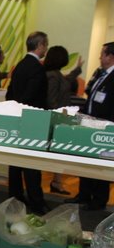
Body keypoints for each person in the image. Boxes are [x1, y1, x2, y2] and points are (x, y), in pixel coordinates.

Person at [65, 42, 114, 211]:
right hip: (89, 124)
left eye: (102, 54)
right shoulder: (100, 74)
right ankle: (83, 195)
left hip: (104, 128)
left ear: (110, 57)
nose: (100, 57)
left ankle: (98, 200)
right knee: (85, 160)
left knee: (100, 164)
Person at [6, 31, 49, 214]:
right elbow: (32, 96)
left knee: (15, 161)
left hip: (17, 118)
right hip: (33, 120)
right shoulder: (37, 68)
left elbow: (10, 93)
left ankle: (15, 196)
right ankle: (36, 201)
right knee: (31, 163)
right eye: (45, 45)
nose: (46, 49)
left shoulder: (20, 66)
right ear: (40, 45)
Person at [44, 45, 83, 196]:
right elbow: (51, 100)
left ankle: (57, 182)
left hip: (58, 120)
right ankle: (56, 183)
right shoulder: (53, 76)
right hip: (56, 121)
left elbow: (66, 81)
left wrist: (77, 69)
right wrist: (60, 116)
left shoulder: (55, 75)